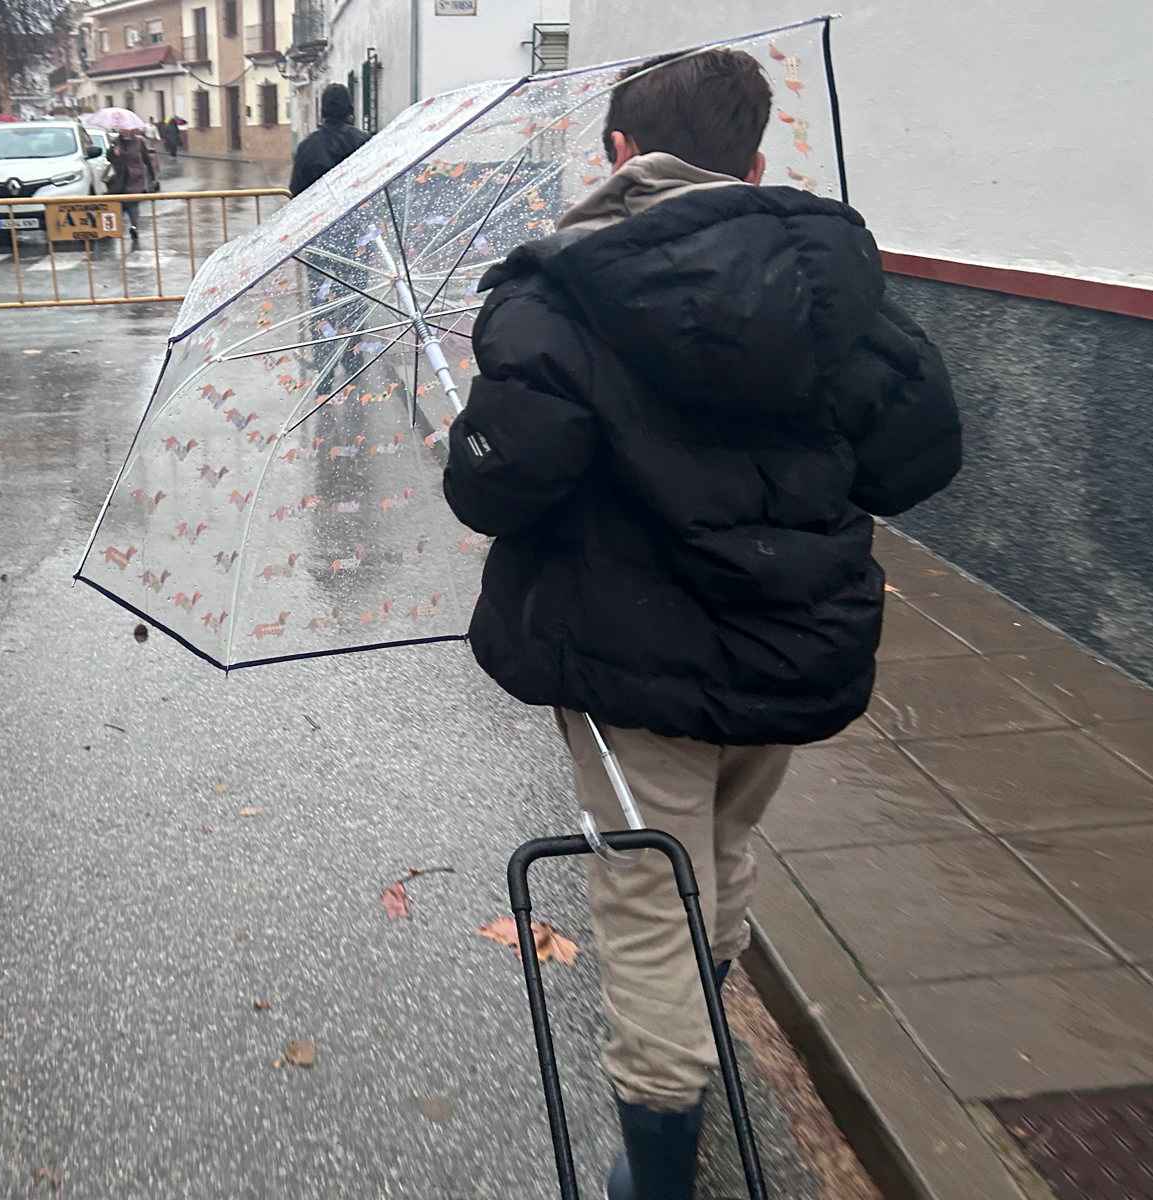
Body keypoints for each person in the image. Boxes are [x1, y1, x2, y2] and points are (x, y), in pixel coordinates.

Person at [442, 49, 961, 1200]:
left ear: (620, 157)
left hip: (638, 669)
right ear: (756, 161)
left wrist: (475, 437)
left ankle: (662, 1167)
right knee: (724, 850)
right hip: (791, 639)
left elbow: (496, 487)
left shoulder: (564, 293)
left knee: (644, 897)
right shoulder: (833, 287)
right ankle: (704, 1044)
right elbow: (918, 455)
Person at [288, 83, 369, 196]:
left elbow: (296, 189)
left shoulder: (306, 147)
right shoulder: (365, 142)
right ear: (350, 109)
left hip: (318, 210)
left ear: (322, 111)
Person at [107, 127, 159, 246]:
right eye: (122, 129)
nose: (123, 131)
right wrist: (113, 152)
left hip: (135, 179)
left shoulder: (139, 141)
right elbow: (109, 158)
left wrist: (152, 178)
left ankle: (134, 227)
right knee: (119, 205)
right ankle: (113, 230)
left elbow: (147, 160)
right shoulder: (116, 142)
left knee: (132, 203)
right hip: (119, 178)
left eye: (126, 129)